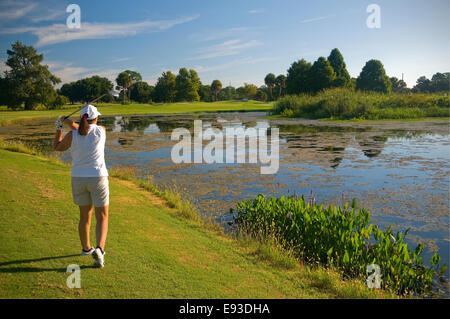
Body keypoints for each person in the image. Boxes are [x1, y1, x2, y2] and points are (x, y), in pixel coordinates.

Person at [53, 104, 109, 268]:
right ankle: (100, 249)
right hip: (98, 177)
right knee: (102, 217)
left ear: (82, 118)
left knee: (85, 216)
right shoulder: (101, 131)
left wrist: (59, 126)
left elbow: (57, 147)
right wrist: (69, 121)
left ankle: (86, 249)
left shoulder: (72, 135)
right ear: (95, 118)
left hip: (78, 178)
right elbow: (84, 129)